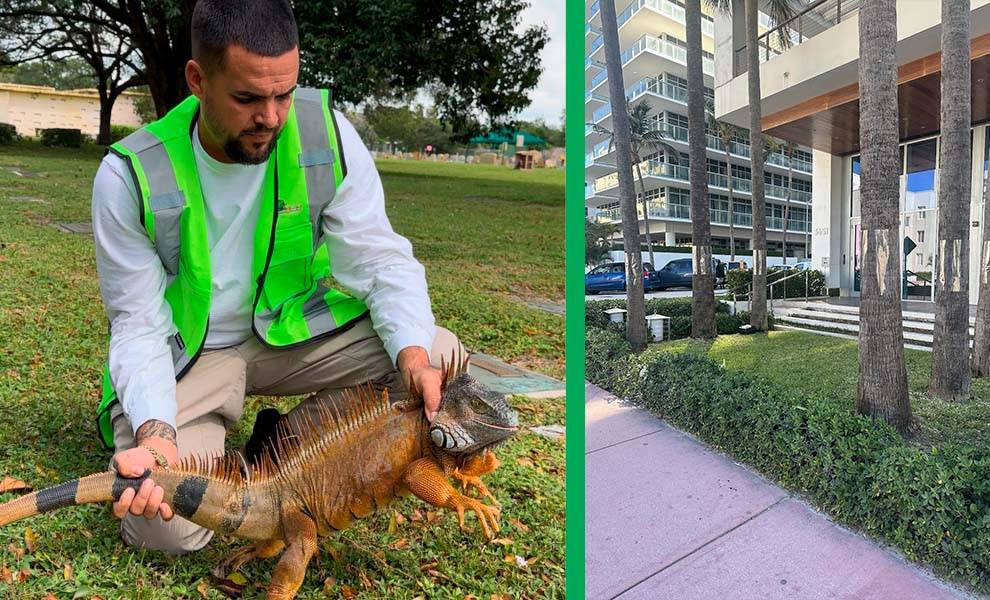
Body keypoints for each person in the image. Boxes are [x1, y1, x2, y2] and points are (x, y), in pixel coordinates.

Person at [91, 0, 461, 554]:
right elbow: (139, 324)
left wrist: (412, 358)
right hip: (191, 360)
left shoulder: (324, 136)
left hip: (290, 338)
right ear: (197, 79)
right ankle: (228, 451)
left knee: (439, 354)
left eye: (284, 93)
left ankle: (288, 445)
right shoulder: (131, 174)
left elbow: (380, 262)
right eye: (247, 98)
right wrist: (157, 435)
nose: (271, 116)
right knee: (165, 528)